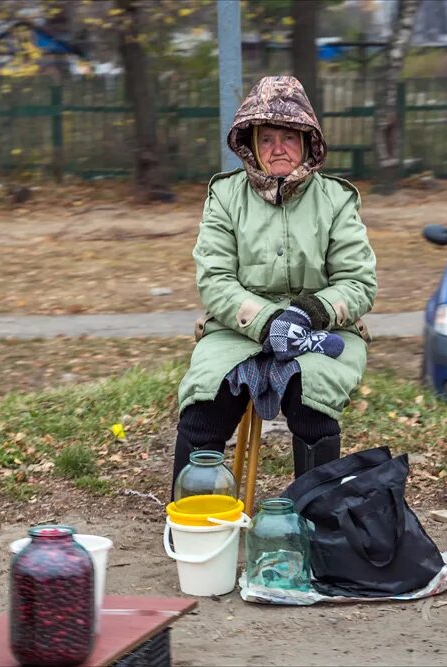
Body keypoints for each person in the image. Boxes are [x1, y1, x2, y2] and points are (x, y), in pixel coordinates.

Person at [173, 75, 377, 490]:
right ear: (250, 144)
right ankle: (193, 522)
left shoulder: (336, 200)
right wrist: (268, 322)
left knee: (313, 402)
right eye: (267, 139)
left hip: (320, 330)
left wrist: (306, 313)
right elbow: (215, 280)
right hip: (239, 328)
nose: (278, 148)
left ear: (308, 142)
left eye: (289, 136)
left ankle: (316, 524)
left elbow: (358, 282)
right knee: (204, 406)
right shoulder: (225, 197)